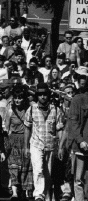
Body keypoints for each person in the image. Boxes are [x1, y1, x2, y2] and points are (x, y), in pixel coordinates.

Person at [24, 83, 65, 201]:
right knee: (38, 170)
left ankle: (46, 195)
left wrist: (61, 147)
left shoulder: (56, 109)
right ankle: (38, 196)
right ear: (37, 96)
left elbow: (60, 129)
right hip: (36, 144)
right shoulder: (31, 109)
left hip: (51, 145)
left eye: (45, 94)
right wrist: (26, 147)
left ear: (48, 95)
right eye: (40, 94)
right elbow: (27, 128)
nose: (43, 97)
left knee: (47, 173)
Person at [4, 85, 33, 201]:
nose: (17, 100)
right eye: (15, 97)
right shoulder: (10, 110)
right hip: (13, 140)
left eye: (20, 98)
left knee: (27, 166)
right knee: (14, 166)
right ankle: (15, 192)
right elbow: (6, 127)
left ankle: (26, 191)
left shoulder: (29, 109)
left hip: (26, 139)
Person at [66, 73, 88, 201]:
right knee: (78, 179)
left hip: (82, 143)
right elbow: (73, 122)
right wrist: (80, 140)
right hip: (81, 146)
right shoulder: (77, 99)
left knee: (80, 180)